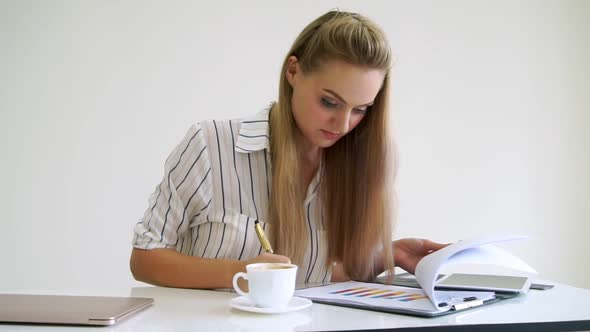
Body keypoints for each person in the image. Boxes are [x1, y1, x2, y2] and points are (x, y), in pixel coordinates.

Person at [130, 10, 445, 289]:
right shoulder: (210, 145)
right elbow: (144, 259)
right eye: (329, 102)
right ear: (293, 71)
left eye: (361, 109)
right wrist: (238, 273)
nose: (343, 123)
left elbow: (314, 276)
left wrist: (387, 256)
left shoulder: (363, 163)